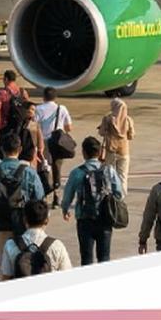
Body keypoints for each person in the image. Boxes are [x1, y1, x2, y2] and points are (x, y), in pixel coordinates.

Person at [61, 136, 125, 265]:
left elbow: (67, 196)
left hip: (85, 219)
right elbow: (119, 193)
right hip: (105, 218)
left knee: (86, 258)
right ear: (100, 152)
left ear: (84, 153)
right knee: (104, 258)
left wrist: (65, 209)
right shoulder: (109, 170)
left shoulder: (77, 173)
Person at [0, 134, 45, 256]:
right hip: (24, 226)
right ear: (20, 149)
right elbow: (40, 199)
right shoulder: (29, 172)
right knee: (25, 262)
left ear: (1, 149)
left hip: (0, 225)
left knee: (4, 263)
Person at [0, 199, 72, 278]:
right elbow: (67, 276)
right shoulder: (57, 246)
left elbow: (6, 276)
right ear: (46, 220)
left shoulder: (11, 244)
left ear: (24, 220)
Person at [32, 86, 73, 207]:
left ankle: (43, 195)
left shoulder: (38, 109)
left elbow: (34, 126)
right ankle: (56, 197)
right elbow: (69, 127)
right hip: (58, 142)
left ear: (43, 97)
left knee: (43, 169)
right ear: (55, 97)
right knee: (57, 169)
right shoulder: (62, 108)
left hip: (44, 142)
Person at [98, 96, 135, 190]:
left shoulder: (108, 118)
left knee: (108, 174)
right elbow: (131, 136)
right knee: (122, 176)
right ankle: (121, 194)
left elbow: (101, 133)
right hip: (124, 151)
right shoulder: (128, 120)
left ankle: (108, 193)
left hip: (111, 150)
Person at [0, 70, 28, 138]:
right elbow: (27, 107)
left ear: (6, 79)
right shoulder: (23, 92)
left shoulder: (2, 93)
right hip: (20, 125)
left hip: (5, 125)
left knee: (6, 143)